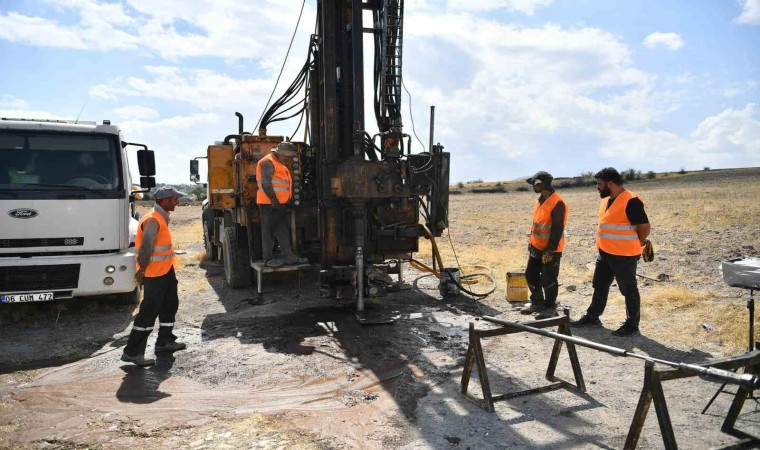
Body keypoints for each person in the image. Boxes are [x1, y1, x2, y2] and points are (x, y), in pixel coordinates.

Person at [572, 167, 651, 337]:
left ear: (610, 184)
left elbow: (644, 227)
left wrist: (636, 242)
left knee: (629, 290)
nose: (597, 187)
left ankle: (632, 325)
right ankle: (593, 317)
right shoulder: (606, 199)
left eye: (599, 184)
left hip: (624, 255)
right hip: (605, 252)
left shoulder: (631, 201)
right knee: (600, 285)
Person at [121, 186, 188, 366]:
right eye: (175, 199)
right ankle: (132, 352)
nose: (177, 202)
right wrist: (142, 269)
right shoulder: (153, 219)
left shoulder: (160, 217)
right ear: (164, 201)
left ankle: (165, 342)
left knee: (170, 304)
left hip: (166, 271)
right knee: (148, 312)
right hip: (154, 273)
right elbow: (145, 249)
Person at [520, 171, 568, 319]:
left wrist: (550, 250)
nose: (533, 187)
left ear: (542, 184)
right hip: (536, 247)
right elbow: (538, 225)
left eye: (535, 184)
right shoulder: (540, 200)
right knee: (530, 275)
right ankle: (537, 303)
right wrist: (532, 243)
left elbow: (557, 229)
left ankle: (550, 307)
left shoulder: (557, 203)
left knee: (549, 278)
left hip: (550, 250)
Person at [256, 141, 308, 267]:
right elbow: (266, 183)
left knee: (282, 229)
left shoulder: (279, 163)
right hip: (269, 203)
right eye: (287, 156)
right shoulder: (267, 162)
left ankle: (289, 256)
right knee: (268, 231)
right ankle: (268, 259)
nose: (289, 159)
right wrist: (274, 200)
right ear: (280, 153)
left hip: (279, 204)